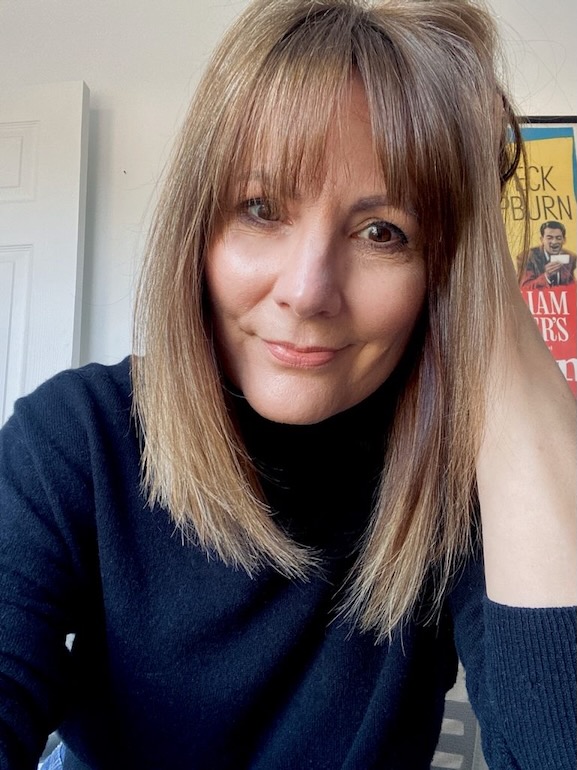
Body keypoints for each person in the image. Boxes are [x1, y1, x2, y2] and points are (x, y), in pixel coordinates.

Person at [1, 1, 575, 768]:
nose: (306, 291)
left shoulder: (456, 484)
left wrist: (483, 275)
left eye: (384, 232)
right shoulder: (75, 439)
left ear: (438, 270)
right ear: (197, 230)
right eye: (260, 207)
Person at [519, 220, 577, 288]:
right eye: (549, 238)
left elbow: (572, 286)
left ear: (564, 240)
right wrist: (546, 276)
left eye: (558, 238)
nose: (554, 242)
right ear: (542, 239)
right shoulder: (526, 257)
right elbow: (524, 287)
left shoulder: (571, 257)